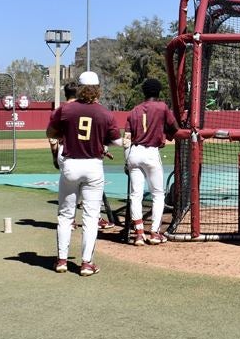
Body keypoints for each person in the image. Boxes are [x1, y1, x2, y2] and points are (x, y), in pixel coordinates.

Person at [46, 71, 122, 276]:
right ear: (98, 89)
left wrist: (66, 134)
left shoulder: (65, 110)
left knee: (65, 214)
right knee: (91, 216)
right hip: (93, 166)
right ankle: (86, 263)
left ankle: (62, 261)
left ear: (79, 88)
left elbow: (50, 133)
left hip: (71, 164)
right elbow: (116, 140)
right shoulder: (105, 113)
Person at [125, 77, 178, 246]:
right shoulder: (162, 107)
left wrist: (127, 160)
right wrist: (167, 135)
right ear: (158, 91)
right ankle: (154, 232)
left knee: (135, 195)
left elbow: (127, 139)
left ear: (144, 92)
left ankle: (139, 233)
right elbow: (175, 128)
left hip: (134, 152)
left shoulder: (134, 110)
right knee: (157, 194)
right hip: (151, 153)